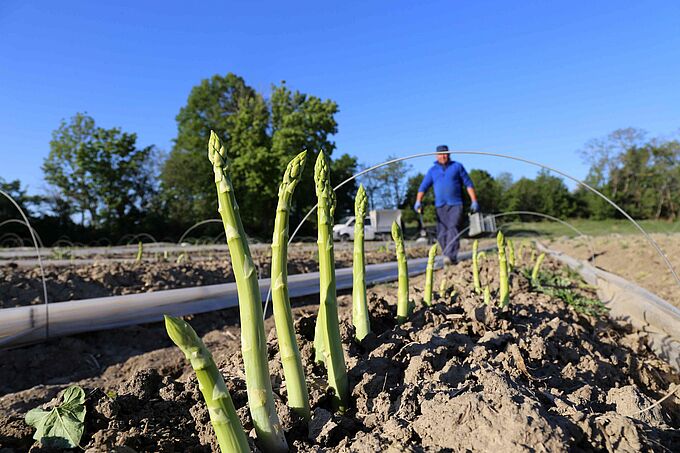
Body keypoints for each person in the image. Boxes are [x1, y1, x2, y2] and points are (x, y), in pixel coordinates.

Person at [414, 145, 479, 264]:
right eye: (440, 154)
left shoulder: (457, 167)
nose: (443, 156)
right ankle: (447, 254)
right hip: (440, 205)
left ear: (449, 154)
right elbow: (423, 187)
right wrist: (418, 201)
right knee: (441, 231)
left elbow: (468, 184)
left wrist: (474, 200)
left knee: (453, 228)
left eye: (445, 154)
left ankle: (450, 255)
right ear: (436, 156)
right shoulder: (433, 170)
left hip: (456, 204)